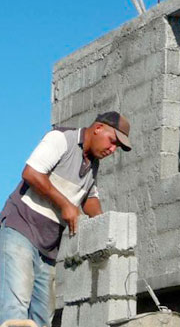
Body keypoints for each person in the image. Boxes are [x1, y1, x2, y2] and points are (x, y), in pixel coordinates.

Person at [0, 111, 132, 327]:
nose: (112, 149)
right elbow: (31, 173)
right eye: (112, 141)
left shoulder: (92, 165)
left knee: (43, 317)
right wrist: (65, 205)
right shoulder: (62, 139)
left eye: (117, 146)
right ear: (98, 128)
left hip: (48, 247)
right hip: (20, 229)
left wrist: (105, 226)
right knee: (16, 311)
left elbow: (89, 199)